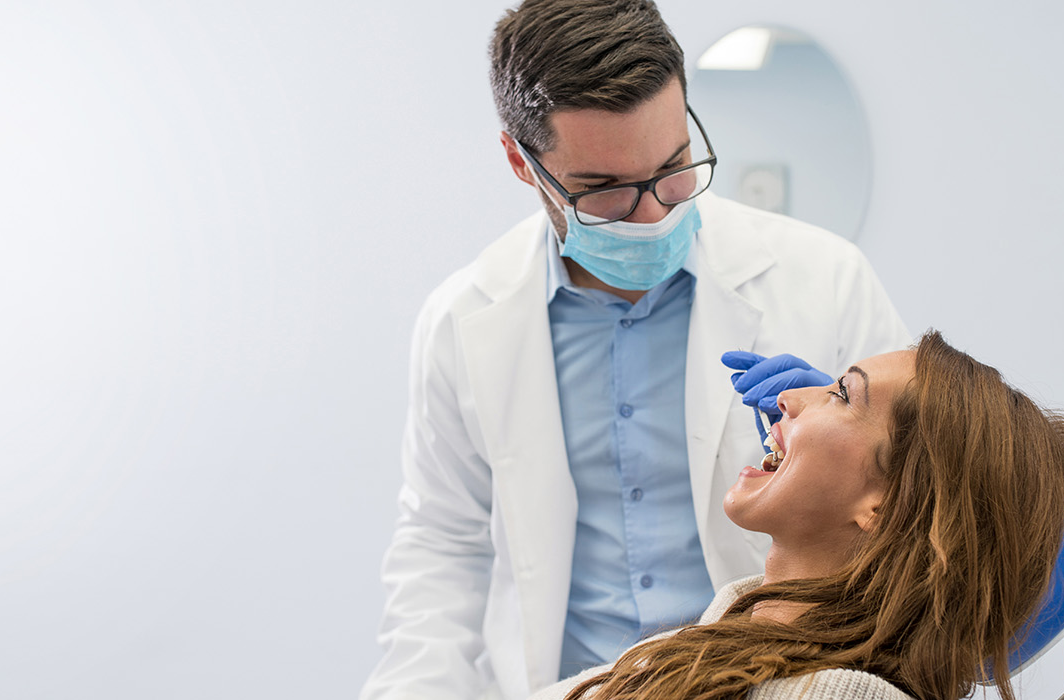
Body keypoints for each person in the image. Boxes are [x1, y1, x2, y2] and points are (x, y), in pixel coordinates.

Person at [361, 1, 911, 698]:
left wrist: (848, 442)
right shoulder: (461, 322)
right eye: (606, 191)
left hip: (769, 678)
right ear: (521, 163)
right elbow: (442, 545)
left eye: (674, 167)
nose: (654, 214)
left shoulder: (825, 279)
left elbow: (921, 509)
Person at [528, 331, 1064, 700]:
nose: (788, 397)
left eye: (841, 394)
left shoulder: (838, 694)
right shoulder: (729, 629)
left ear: (887, 502)